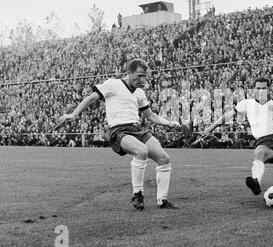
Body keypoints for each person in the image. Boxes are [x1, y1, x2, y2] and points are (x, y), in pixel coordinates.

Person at [59, 58, 181, 211]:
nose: (142, 79)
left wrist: (170, 123)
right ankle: (137, 194)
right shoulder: (113, 84)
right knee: (141, 151)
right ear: (129, 73)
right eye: (139, 76)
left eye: (144, 76)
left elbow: (151, 116)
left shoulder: (140, 92)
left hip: (137, 129)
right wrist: (73, 114)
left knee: (164, 159)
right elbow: (91, 98)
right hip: (119, 130)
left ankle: (162, 201)